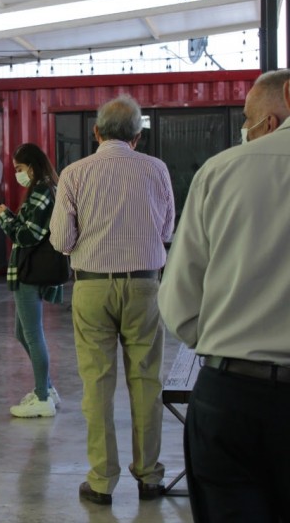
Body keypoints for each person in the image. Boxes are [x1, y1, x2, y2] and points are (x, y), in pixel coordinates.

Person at [158, 69, 290, 521]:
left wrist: (224, 339)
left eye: (251, 118)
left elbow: (179, 306)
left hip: (232, 396)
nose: (248, 130)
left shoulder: (222, 171)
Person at [49, 94, 175, 505]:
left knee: (97, 384)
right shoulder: (157, 170)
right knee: (146, 381)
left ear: (96, 132)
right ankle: (150, 477)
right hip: (145, 285)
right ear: (138, 136)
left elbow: (61, 240)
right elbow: (167, 230)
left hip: (91, 285)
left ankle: (102, 480)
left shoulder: (74, 173)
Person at [0, 143, 61, 418]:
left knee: (33, 334)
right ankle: (47, 387)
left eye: (19, 168)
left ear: (31, 166)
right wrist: (7, 215)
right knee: (22, 333)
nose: (17, 174)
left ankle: (42, 397)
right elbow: (28, 228)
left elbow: (27, 237)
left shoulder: (41, 192)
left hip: (31, 271)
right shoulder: (43, 189)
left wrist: (4, 217)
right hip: (28, 270)